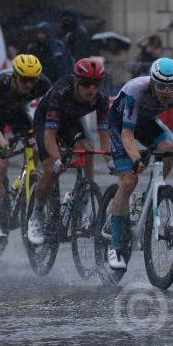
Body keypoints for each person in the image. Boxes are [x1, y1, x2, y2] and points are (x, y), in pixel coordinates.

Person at [105, 58, 173, 270]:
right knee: (129, 181)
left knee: (169, 146)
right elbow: (127, 134)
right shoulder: (136, 90)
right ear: (151, 82)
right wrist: (136, 159)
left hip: (146, 121)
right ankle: (114, 246)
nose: (167, 92)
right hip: (122, 124)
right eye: (161, 86)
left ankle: (152, 196)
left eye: (171, 87)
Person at [26, 58, 112, 245]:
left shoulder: (101, 99)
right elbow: (49, 136)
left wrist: (110, 160)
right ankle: (35, 216)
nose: (92, 89)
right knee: (52, 168)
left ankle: (82, 197)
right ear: (76, 82)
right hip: (46, 121)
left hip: (71, 120)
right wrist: (57, 160)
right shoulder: (60, 94)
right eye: (87, 84)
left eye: (96, 84)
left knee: (87, 149)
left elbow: (104, 136)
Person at [0, 54, 52, 242]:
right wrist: (4, 145)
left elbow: (50, 113)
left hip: (17, 111)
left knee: (35, 147)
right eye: (24, 80)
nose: (29, 85)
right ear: (14, 76)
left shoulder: (42, 84)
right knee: (1, 165)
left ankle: (25, 179)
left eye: (32, 80)